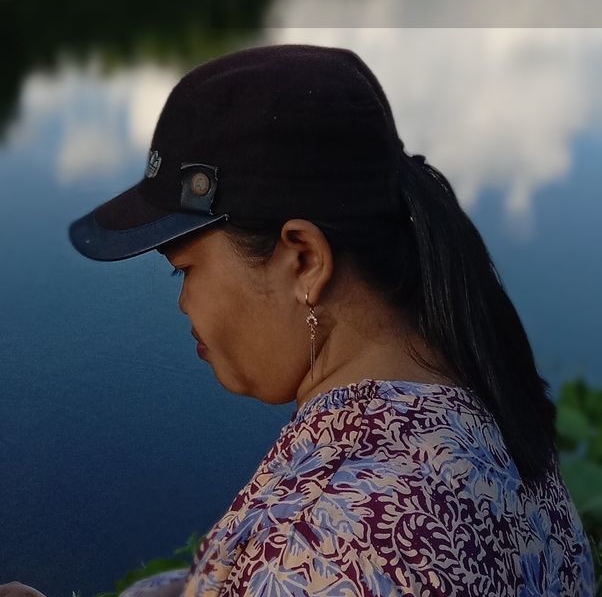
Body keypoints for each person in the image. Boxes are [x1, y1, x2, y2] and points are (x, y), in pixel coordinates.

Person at [2, 44, 594, 596]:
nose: (183, 303)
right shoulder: (487, 421)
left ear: (303, 258)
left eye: (182, 269)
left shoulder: (342, 542)